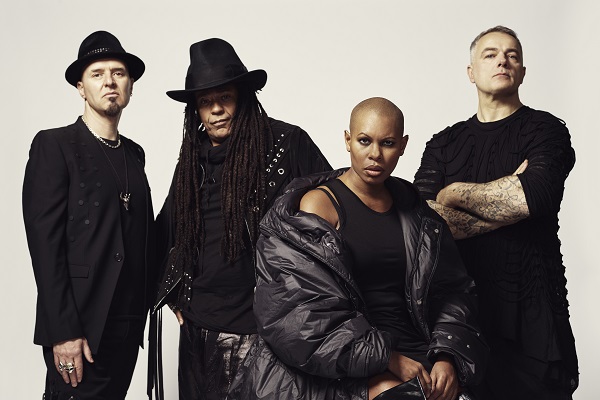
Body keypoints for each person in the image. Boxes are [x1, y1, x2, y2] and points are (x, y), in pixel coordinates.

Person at [228, 97, 487, 400]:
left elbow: (452, 291)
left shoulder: (416, 213)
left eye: (387, 143)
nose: (375, 154)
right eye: (364, 141)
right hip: (349, 362)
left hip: (418, 350)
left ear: (403, 146)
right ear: (347, 141)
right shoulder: (318, 205)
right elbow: (299, 312)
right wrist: (387, 359)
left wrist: (448, 355)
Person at [151, 38, 331, 400]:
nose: (216, 109)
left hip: (262, 331)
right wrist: (168, 290)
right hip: (198, 331)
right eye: (205, 102)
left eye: (225, 97)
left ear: (243, 97)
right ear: (196, 110)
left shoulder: (287, 142)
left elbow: (335, 213)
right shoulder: (192, 159)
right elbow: (164, 232)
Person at [414, 26, 578, 399]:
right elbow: (423, 221)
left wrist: (453, 193)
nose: (502, 60)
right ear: (471, 72)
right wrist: (508, 198)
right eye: (490, 54)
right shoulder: (443, 143)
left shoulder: (546, 130)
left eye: (512, 55)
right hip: (460, 316)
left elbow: (533, 198)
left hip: (532, 319)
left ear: (522, 72)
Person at [22, 31, 154, 399]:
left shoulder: (134, 154)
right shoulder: (54, 145)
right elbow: (45, 248)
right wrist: (62, 331)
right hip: (80, 326)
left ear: (130, 86)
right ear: (81, 88)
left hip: (128, 323)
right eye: (97, 74)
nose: (109, 81)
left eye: (118, 73)